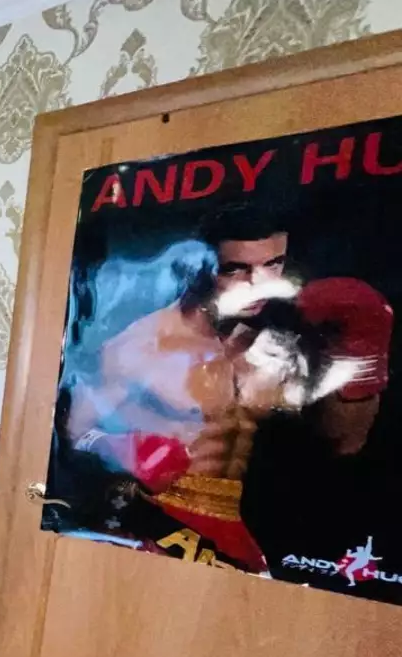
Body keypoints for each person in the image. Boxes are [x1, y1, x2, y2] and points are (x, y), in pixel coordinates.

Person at [64, 205, 392, 573]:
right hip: (155, 522)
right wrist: (119, 448)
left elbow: (345, 441)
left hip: (233, 529)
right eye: (237, 269)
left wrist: (361, 356)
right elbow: (73, 434)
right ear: (200, 267)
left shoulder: (281, 340)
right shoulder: (142, 345)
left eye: (273, 264)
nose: (259, 282)